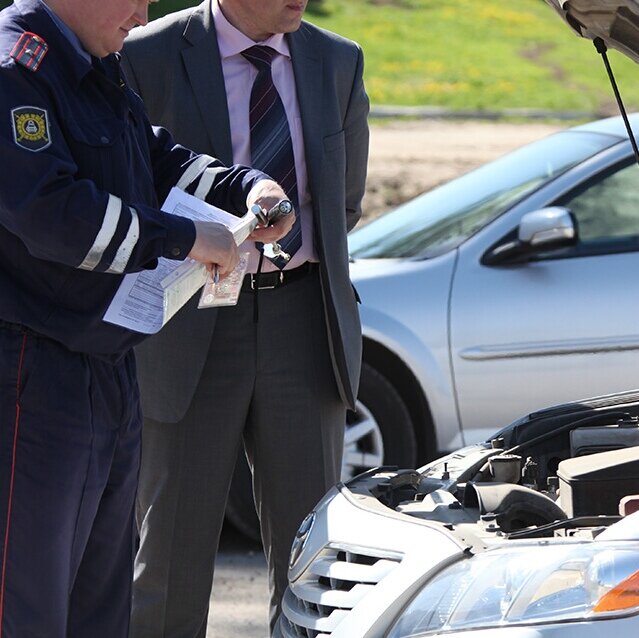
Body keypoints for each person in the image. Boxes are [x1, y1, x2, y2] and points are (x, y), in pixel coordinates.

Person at [0, 0, 293, 636]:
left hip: (106, 372)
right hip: (32, 376)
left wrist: (245, 189)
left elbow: (153, 158)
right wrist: (187, 238)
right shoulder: (14, 68)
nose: (144, 11)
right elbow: (52, 215)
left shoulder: (92, 66)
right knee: (26, 602)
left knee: (100, 607)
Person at [121, 0, 370, 635]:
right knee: (170, 555)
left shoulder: (337, 60)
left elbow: (342, 206)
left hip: (303, 318)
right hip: (187, 319)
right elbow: (126, 184)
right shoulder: (146, 53)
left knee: (315, 563)